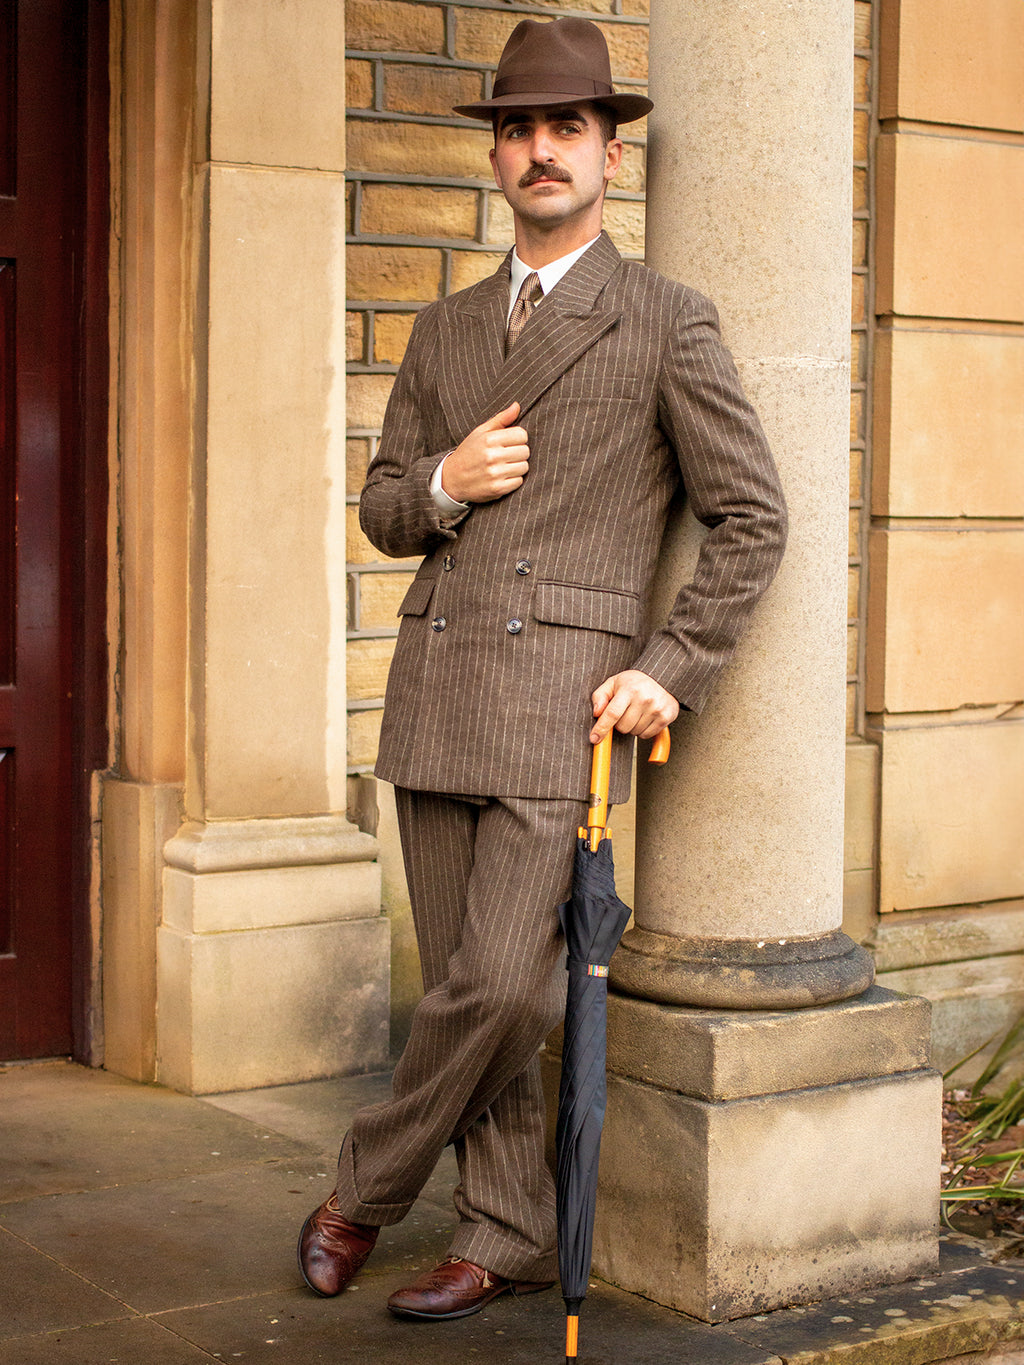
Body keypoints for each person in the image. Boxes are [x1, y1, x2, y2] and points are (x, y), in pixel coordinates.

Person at [298, 15, 787, 1322]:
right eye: (518, 129)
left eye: (567, 126)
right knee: (470, 985)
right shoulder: (446, 327)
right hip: (435, 686)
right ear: (498, 158)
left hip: (560, 704)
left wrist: (674, 666)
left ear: (611, 155)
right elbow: (383, 507)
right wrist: (444, 483)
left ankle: (361, 1189)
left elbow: (753, 514)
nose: (540, 150)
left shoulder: (665, 319)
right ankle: (506, 1231)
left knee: (506, 984)